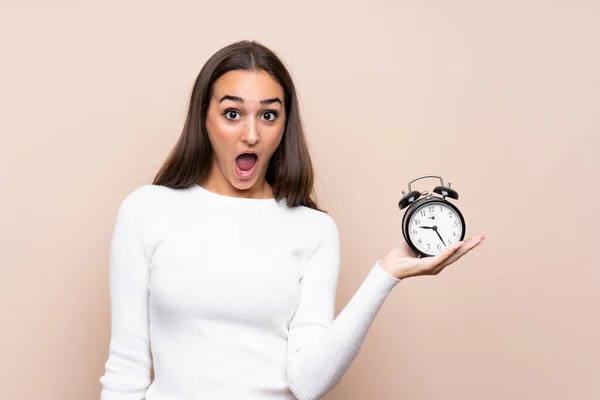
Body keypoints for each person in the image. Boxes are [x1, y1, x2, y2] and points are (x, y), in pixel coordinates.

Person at [99, 40, 485, 400]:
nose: (251, 134)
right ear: (204, 118)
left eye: (268, 115)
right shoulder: (146, 211)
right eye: (232, 114)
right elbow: (126, 369)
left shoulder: (314, 230)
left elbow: (307, 382)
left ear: (285, 126)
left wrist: (385, 275)